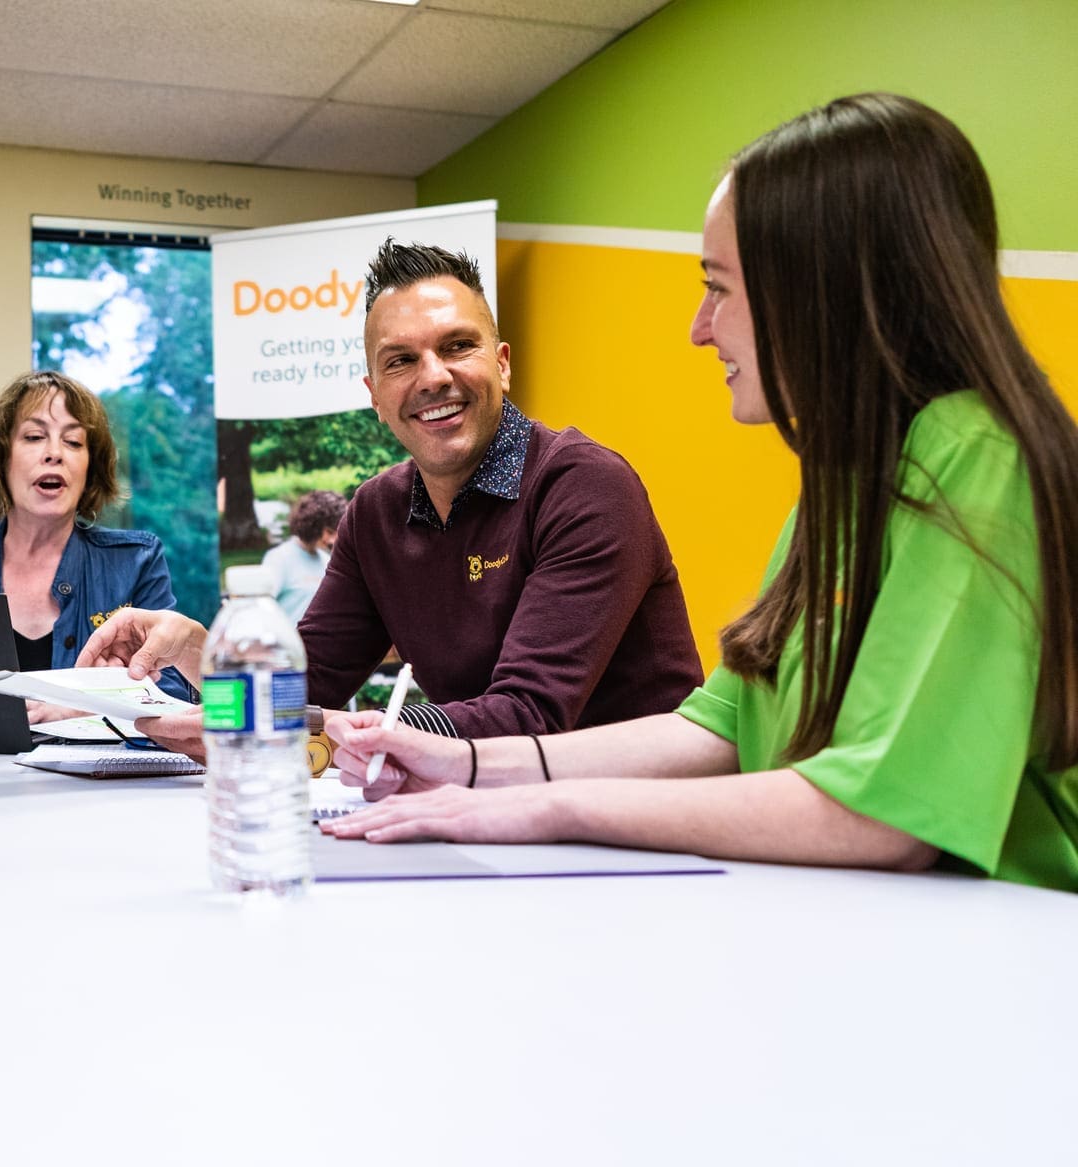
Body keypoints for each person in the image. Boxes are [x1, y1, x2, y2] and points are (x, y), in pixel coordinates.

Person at [319, 94, 1078, 891]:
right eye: (399, 362)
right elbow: (715, 729)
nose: (699, 326)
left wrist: (540, 807)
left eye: (719, 287)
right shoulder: (850, 485)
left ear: (819, 289)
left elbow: (884, 814)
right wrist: (464, 763)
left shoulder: (975, 459)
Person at [80, 238, 703, 750]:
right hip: (487, 814)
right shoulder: (376, 512)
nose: (434, 377)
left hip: (640, 832)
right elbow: (309, 680)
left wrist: (330, 729)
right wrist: (196, 645)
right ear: (374, 395)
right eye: (400, 361)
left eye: (458, 346)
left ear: (503, 363)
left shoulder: (584, 486)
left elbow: (528, 715)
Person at [0, 370, 187, 702]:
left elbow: (173, 697)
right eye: (34, 436)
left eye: (73, 441)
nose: (55, 452)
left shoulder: (136, 561)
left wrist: (82, 707)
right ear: (2, 458)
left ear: (89, 468)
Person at [261, 490, 347, 623]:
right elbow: (262, 607)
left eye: (335, 533)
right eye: (329, 532)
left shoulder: (327, 561)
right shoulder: (279, 558)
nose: (332, 540)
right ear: (313, 525)